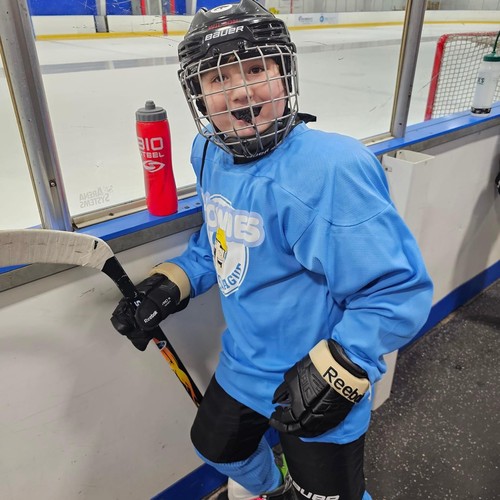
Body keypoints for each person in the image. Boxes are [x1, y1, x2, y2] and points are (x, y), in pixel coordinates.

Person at [111, 1, 433, 498]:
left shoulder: (331, 169)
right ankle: (276, 490)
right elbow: (222, 241)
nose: (240, 91)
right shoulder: (209, 152)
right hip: (245, 365)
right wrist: (173, 281)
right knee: (217, 449)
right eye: (218, 78)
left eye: (257, 69)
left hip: (315, 371)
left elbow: (397, 291)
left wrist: (344, 365)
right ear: (198, 95)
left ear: (285, 74)